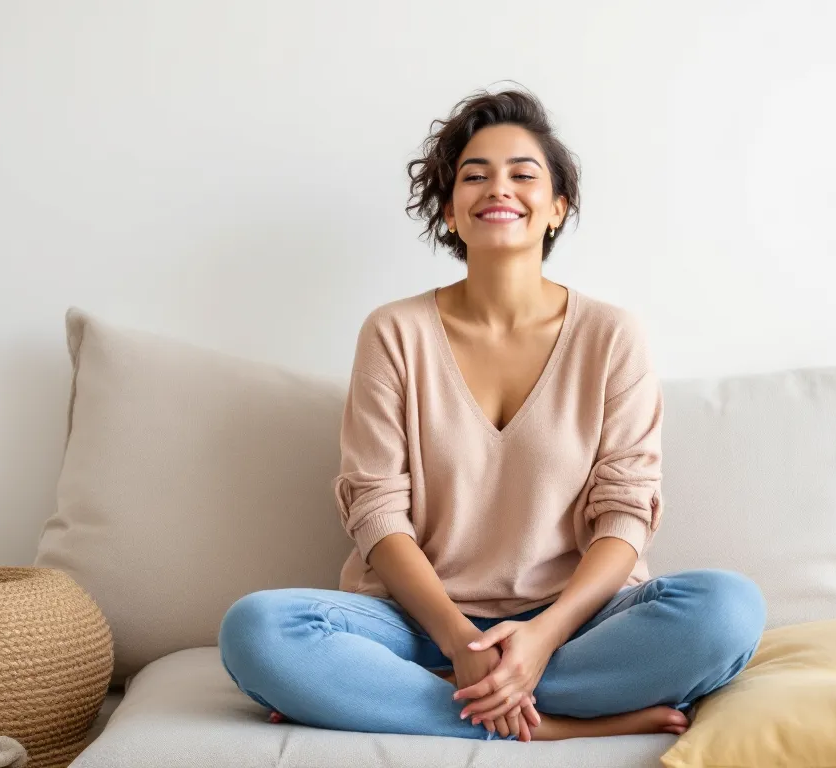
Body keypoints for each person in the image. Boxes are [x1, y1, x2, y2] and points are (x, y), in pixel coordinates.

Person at [219, 87, 765, 742]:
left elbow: (625, 515)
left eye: (522, 173)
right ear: (449, 212)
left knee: (727, 610)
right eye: (473, 176)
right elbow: (376, 514)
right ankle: (553, 723)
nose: (496, 187)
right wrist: (456, 639)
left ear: (557, 208)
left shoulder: (612, 335)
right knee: (258, 630)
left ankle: (423, 703)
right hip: (417, 628)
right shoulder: (395, 332)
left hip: (570, 631)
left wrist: (540, 637)